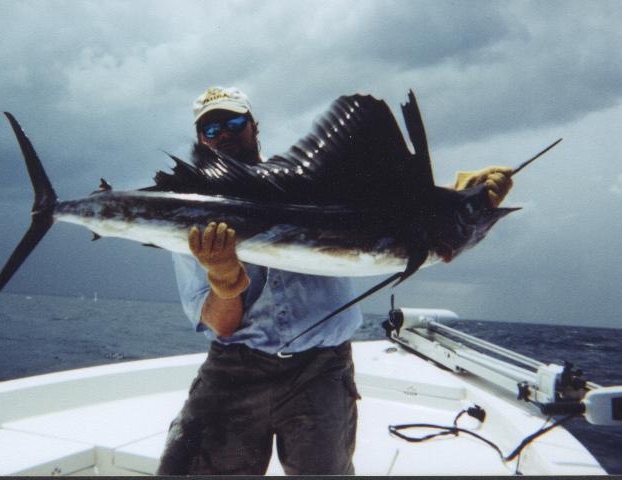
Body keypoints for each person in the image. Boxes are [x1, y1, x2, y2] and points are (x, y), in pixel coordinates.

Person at [155, 86, 513, 475]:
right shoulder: (192, 216)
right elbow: (220, 324)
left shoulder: (320, 188)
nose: (223, 133)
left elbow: (387, 207)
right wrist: (224, 282)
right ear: (200, 141)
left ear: (254, 126)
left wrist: (458, 195)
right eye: (210, 130)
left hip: (320, 371)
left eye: (233, 122)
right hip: (234, 370)